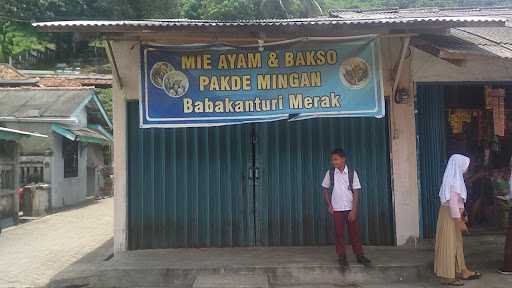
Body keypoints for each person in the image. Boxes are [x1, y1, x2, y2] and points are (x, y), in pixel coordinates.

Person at [435, 154, 481, 286]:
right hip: (450, 217)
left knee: (456, 244)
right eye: (465, 165)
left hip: (453, 216)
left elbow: (458, 202)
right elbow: (453, 204)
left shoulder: (455, 179)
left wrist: (463, 214)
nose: (466, 169)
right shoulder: (454, 181)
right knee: (448, 245)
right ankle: (447, 276)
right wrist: (459, 221)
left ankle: (462, 270)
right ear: (459, 165)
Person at [322, 148, 371, 270]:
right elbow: (325, 188)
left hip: (350, 208)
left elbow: (356, 192)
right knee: (339, 234)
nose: (334, 162)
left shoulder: (352, 173)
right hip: (337, 209)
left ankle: (359, 255)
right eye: (332, 160)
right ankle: (342, 256)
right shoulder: (331, 173)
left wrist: (354, 210)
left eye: (336, 159)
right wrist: (329, 204)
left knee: (354, 233)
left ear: (343, 159)